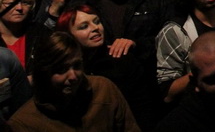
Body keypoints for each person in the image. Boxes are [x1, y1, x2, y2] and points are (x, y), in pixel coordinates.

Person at [8, 31, 141, 132]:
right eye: (61, 69)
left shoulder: (104, 90)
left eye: (77, 66)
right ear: (44, 72)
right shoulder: (24, 123)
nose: (73, 76)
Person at [56, 4, 160, 130]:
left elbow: (143, 109)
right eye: (84, 26)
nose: (95, 28)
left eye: (97, 22)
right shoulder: (66, 70)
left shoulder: (122, 61)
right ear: (69, 35)